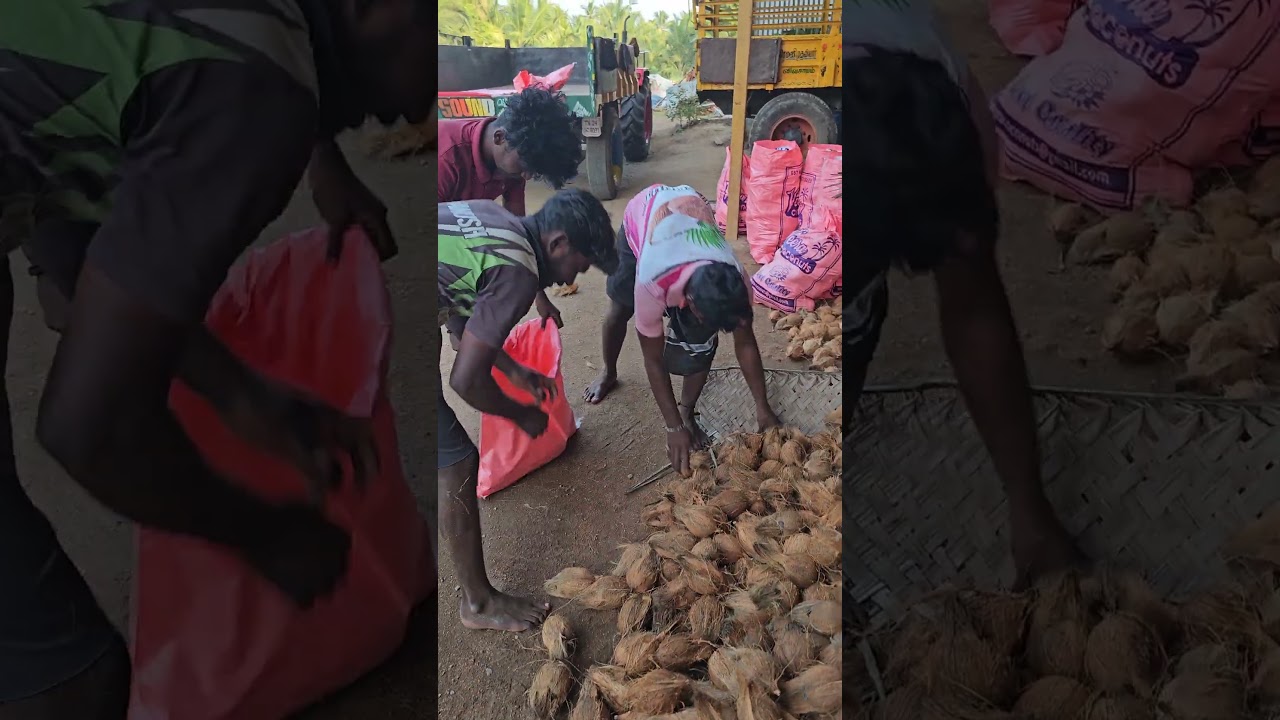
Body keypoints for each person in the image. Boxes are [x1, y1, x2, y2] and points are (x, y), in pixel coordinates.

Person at [0, 0, 435, 716]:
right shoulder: (256, 89)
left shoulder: (231, 56)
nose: (431, 96)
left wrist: (244, 396)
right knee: (72, 685)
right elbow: (86, 426)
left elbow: (85, 256)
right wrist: (269, 537)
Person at [844, 4, 1084, 589]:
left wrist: (1029, 505)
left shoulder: (954, 121)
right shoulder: (810, 181)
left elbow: (976, 309)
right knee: (843, 325)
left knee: (868, 311)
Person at [438, 188, 618, 632]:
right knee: (456, 460)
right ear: (557, 244)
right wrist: (520, 413)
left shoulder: (491, 215)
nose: (576, 273)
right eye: (580, 262)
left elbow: (463, 322)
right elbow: (465, 379)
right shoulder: (519, 274)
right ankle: (477, 604)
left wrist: (515, 372)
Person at [583, 184, 780, 473]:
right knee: (620, 309)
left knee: (701, 344)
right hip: (643, 218)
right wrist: (672, 427)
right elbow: (652, 359)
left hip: (685, 217)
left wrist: (763, 407)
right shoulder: (652, 281)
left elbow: (746, 343)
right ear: (691, 304)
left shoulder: (736, 279)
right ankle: (608, 372)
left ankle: (688, 410)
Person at [438, 87, 584, 329]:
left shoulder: (510, 167)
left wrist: (540, 296)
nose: (526, 174)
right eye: (526, 165)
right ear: (499, 138)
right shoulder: (445, 160)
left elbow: (517, 235)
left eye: (534, 170)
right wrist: (459, 321)